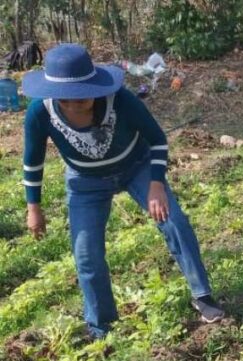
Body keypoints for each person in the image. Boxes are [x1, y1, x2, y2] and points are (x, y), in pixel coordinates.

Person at [22, 44, 223, 339]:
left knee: (174, 221)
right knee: (86, 254)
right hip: (86, 182)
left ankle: (202, 295)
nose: (77, 103)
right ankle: (101, 326)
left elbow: (157, 140)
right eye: (68, 99)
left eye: (84, 95)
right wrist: (33, 208)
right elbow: (32, 161)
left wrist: (156, 184)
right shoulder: (40, 113)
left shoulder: (121, 100)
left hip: (136, 167)